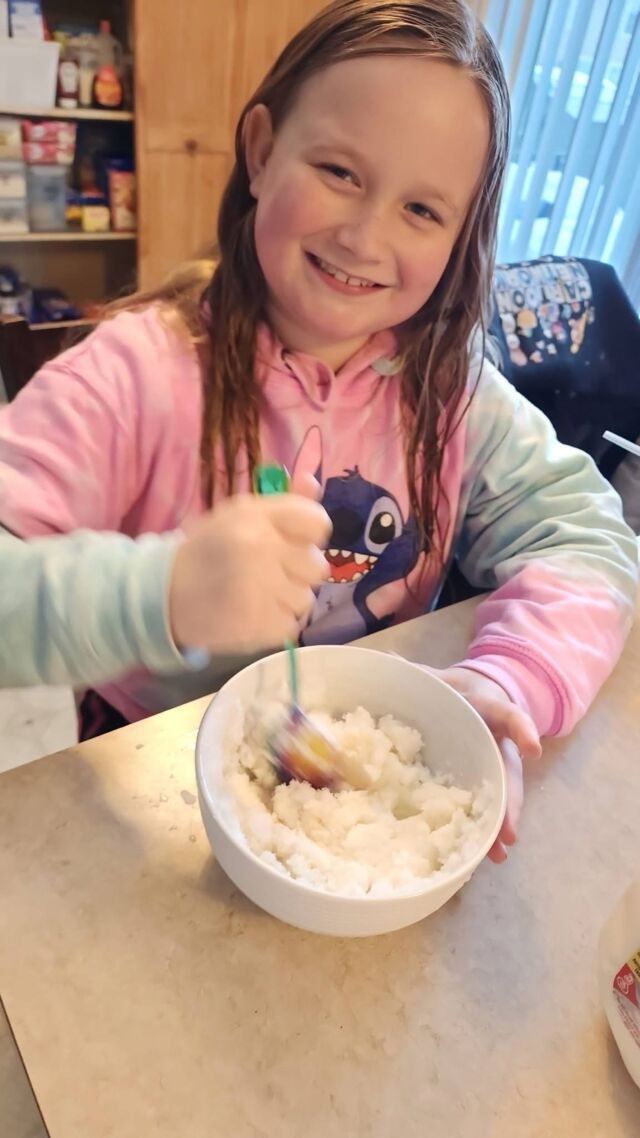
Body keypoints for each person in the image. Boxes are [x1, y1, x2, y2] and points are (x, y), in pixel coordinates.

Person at [0, 0, 636, 863]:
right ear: (262, 150)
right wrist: (162, 593)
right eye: (339, 171)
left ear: (462, 239)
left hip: (360, 803)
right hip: (151, 789)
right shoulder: (130, 377)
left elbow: (589, 542)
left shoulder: (451, 390)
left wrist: (508, 678)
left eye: (422, 210)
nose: (364, 236)